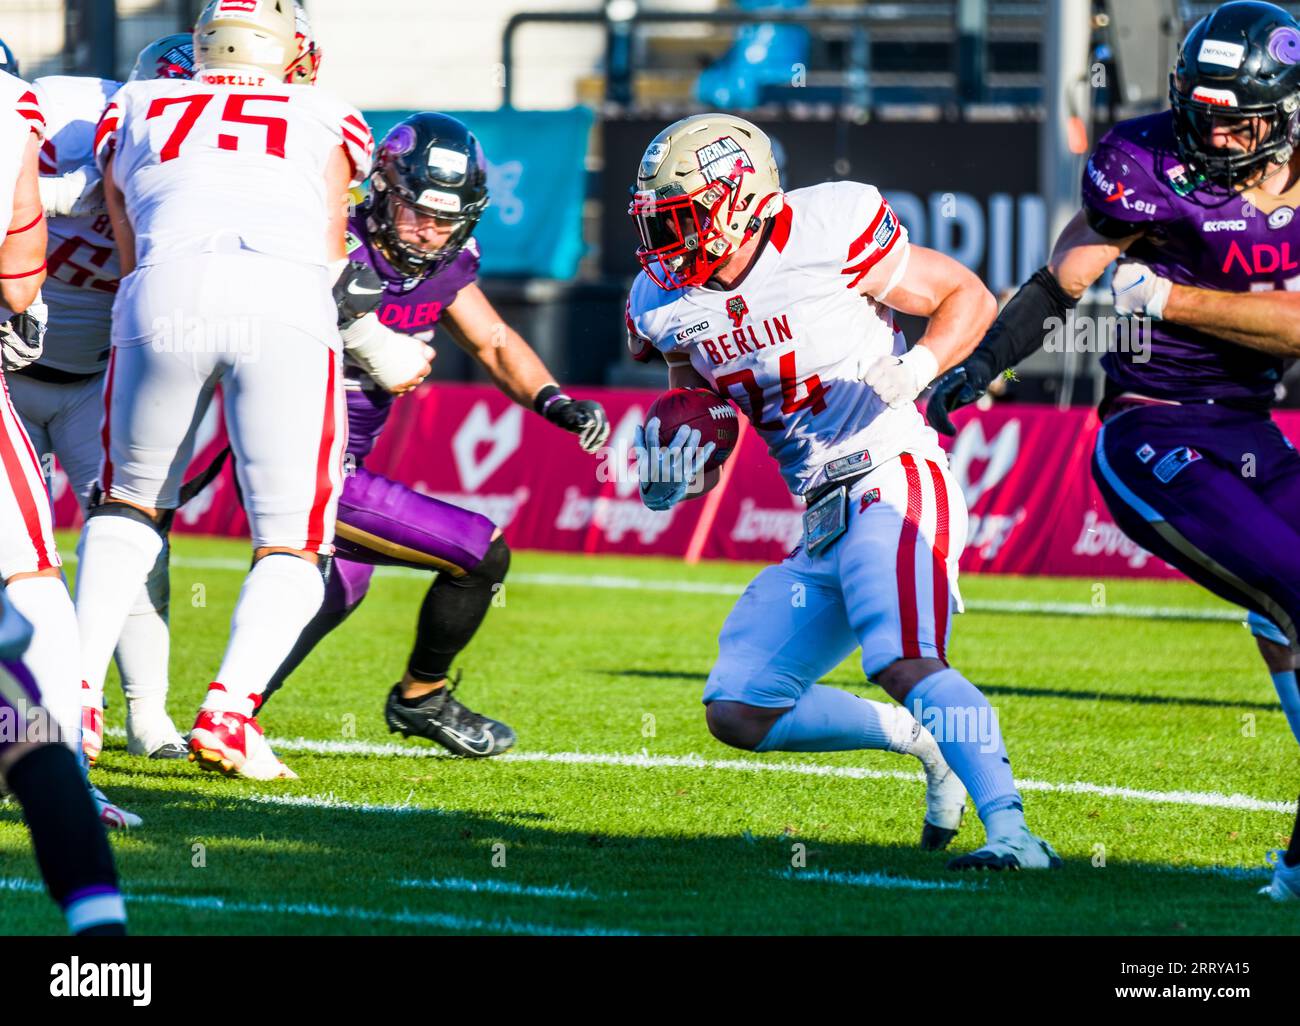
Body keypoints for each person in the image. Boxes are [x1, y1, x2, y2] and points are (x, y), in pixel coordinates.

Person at [925, 0, 1300, 894]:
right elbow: (1062, 283)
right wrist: (975, 371)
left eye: (1233, 116)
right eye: (1197, 109)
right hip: (1154, 431)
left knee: (1286, 610)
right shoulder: (1147, 165)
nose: (1209, 134)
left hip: (1254, 431)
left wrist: (1164, 298)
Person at [626, 113, 1059, 867]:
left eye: (685, 216)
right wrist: (677, 474)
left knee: (904, 657)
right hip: (822, 514)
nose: (670, 239)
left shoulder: (827, 226)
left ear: (742, 195)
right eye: (660, 221)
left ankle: (1015, 835)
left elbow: (968, 297)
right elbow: (702, 416)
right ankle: (922, 737)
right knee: (739, 708)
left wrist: (921, 368)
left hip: (893, 471)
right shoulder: (661, 300)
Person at [75, 0, 372, 780]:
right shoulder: (326, 110)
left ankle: (72, 699)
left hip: (162, 288)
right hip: (282, 298)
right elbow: (333, 244)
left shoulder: (137, 101)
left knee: (130, 503)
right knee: (293, 539)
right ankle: (230, 713)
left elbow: (126, 231)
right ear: (288, 49)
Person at [258, 112, 611, 757]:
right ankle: (421, 697)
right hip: (300, 455)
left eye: (445, 218)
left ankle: (233, 712)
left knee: (339, 586)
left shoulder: (446, 265)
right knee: (480, 554)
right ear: (382, 191)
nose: (429, 230)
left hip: (342, 458)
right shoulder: (333, 244)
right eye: (415, 211)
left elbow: (494, 339)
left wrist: (554, 401)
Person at [11, 35, 198, 765]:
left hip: (96, 383)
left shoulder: (216, 173)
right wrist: (56, 193)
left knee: (136, 547)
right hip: (7, 375)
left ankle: (147, 716)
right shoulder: (58, 113)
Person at [0, 57, 127, 934]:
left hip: (79, 383)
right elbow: (17, 255)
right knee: (29, 597)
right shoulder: (17, 111)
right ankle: (99, 934)